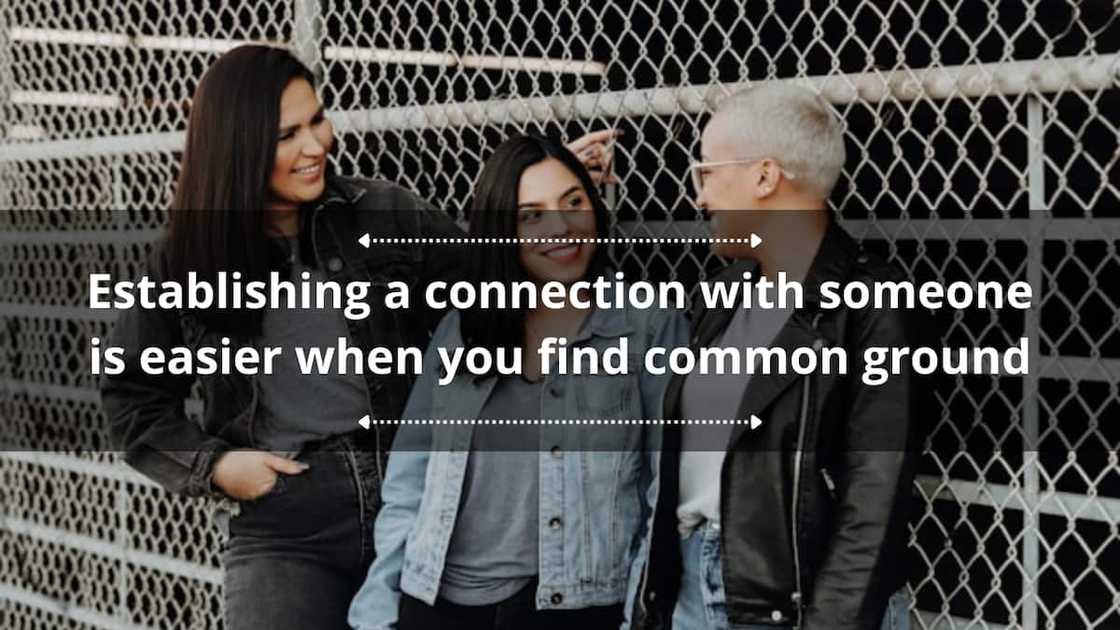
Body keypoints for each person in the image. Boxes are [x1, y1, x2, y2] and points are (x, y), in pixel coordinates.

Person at [100, 44, 617, 630]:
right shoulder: (184, 259)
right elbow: (132, 398)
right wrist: (219, 466)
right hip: (290, 522)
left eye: (317, 119)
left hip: (417, 505)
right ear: (237, 147)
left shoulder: (384, 214)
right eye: (286, 135)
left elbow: (487, 284)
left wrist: (541, 195)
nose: (316, 145)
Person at [348, 135, 688, 630]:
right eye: (531, 214)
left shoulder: (646, 324)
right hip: (434, 603)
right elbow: (410, 480)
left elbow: (666, 490)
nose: (562, 228)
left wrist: (639, 612)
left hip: (571, 606)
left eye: (573, 203)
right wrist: (379, 607)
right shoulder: (464, 326)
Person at [637, 84, 922, 630]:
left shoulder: (872, 303)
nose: (699, 197)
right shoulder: (720, 297)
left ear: (764, 177)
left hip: (794, 604)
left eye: (708, 173)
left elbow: (875, 499)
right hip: (692, 585)